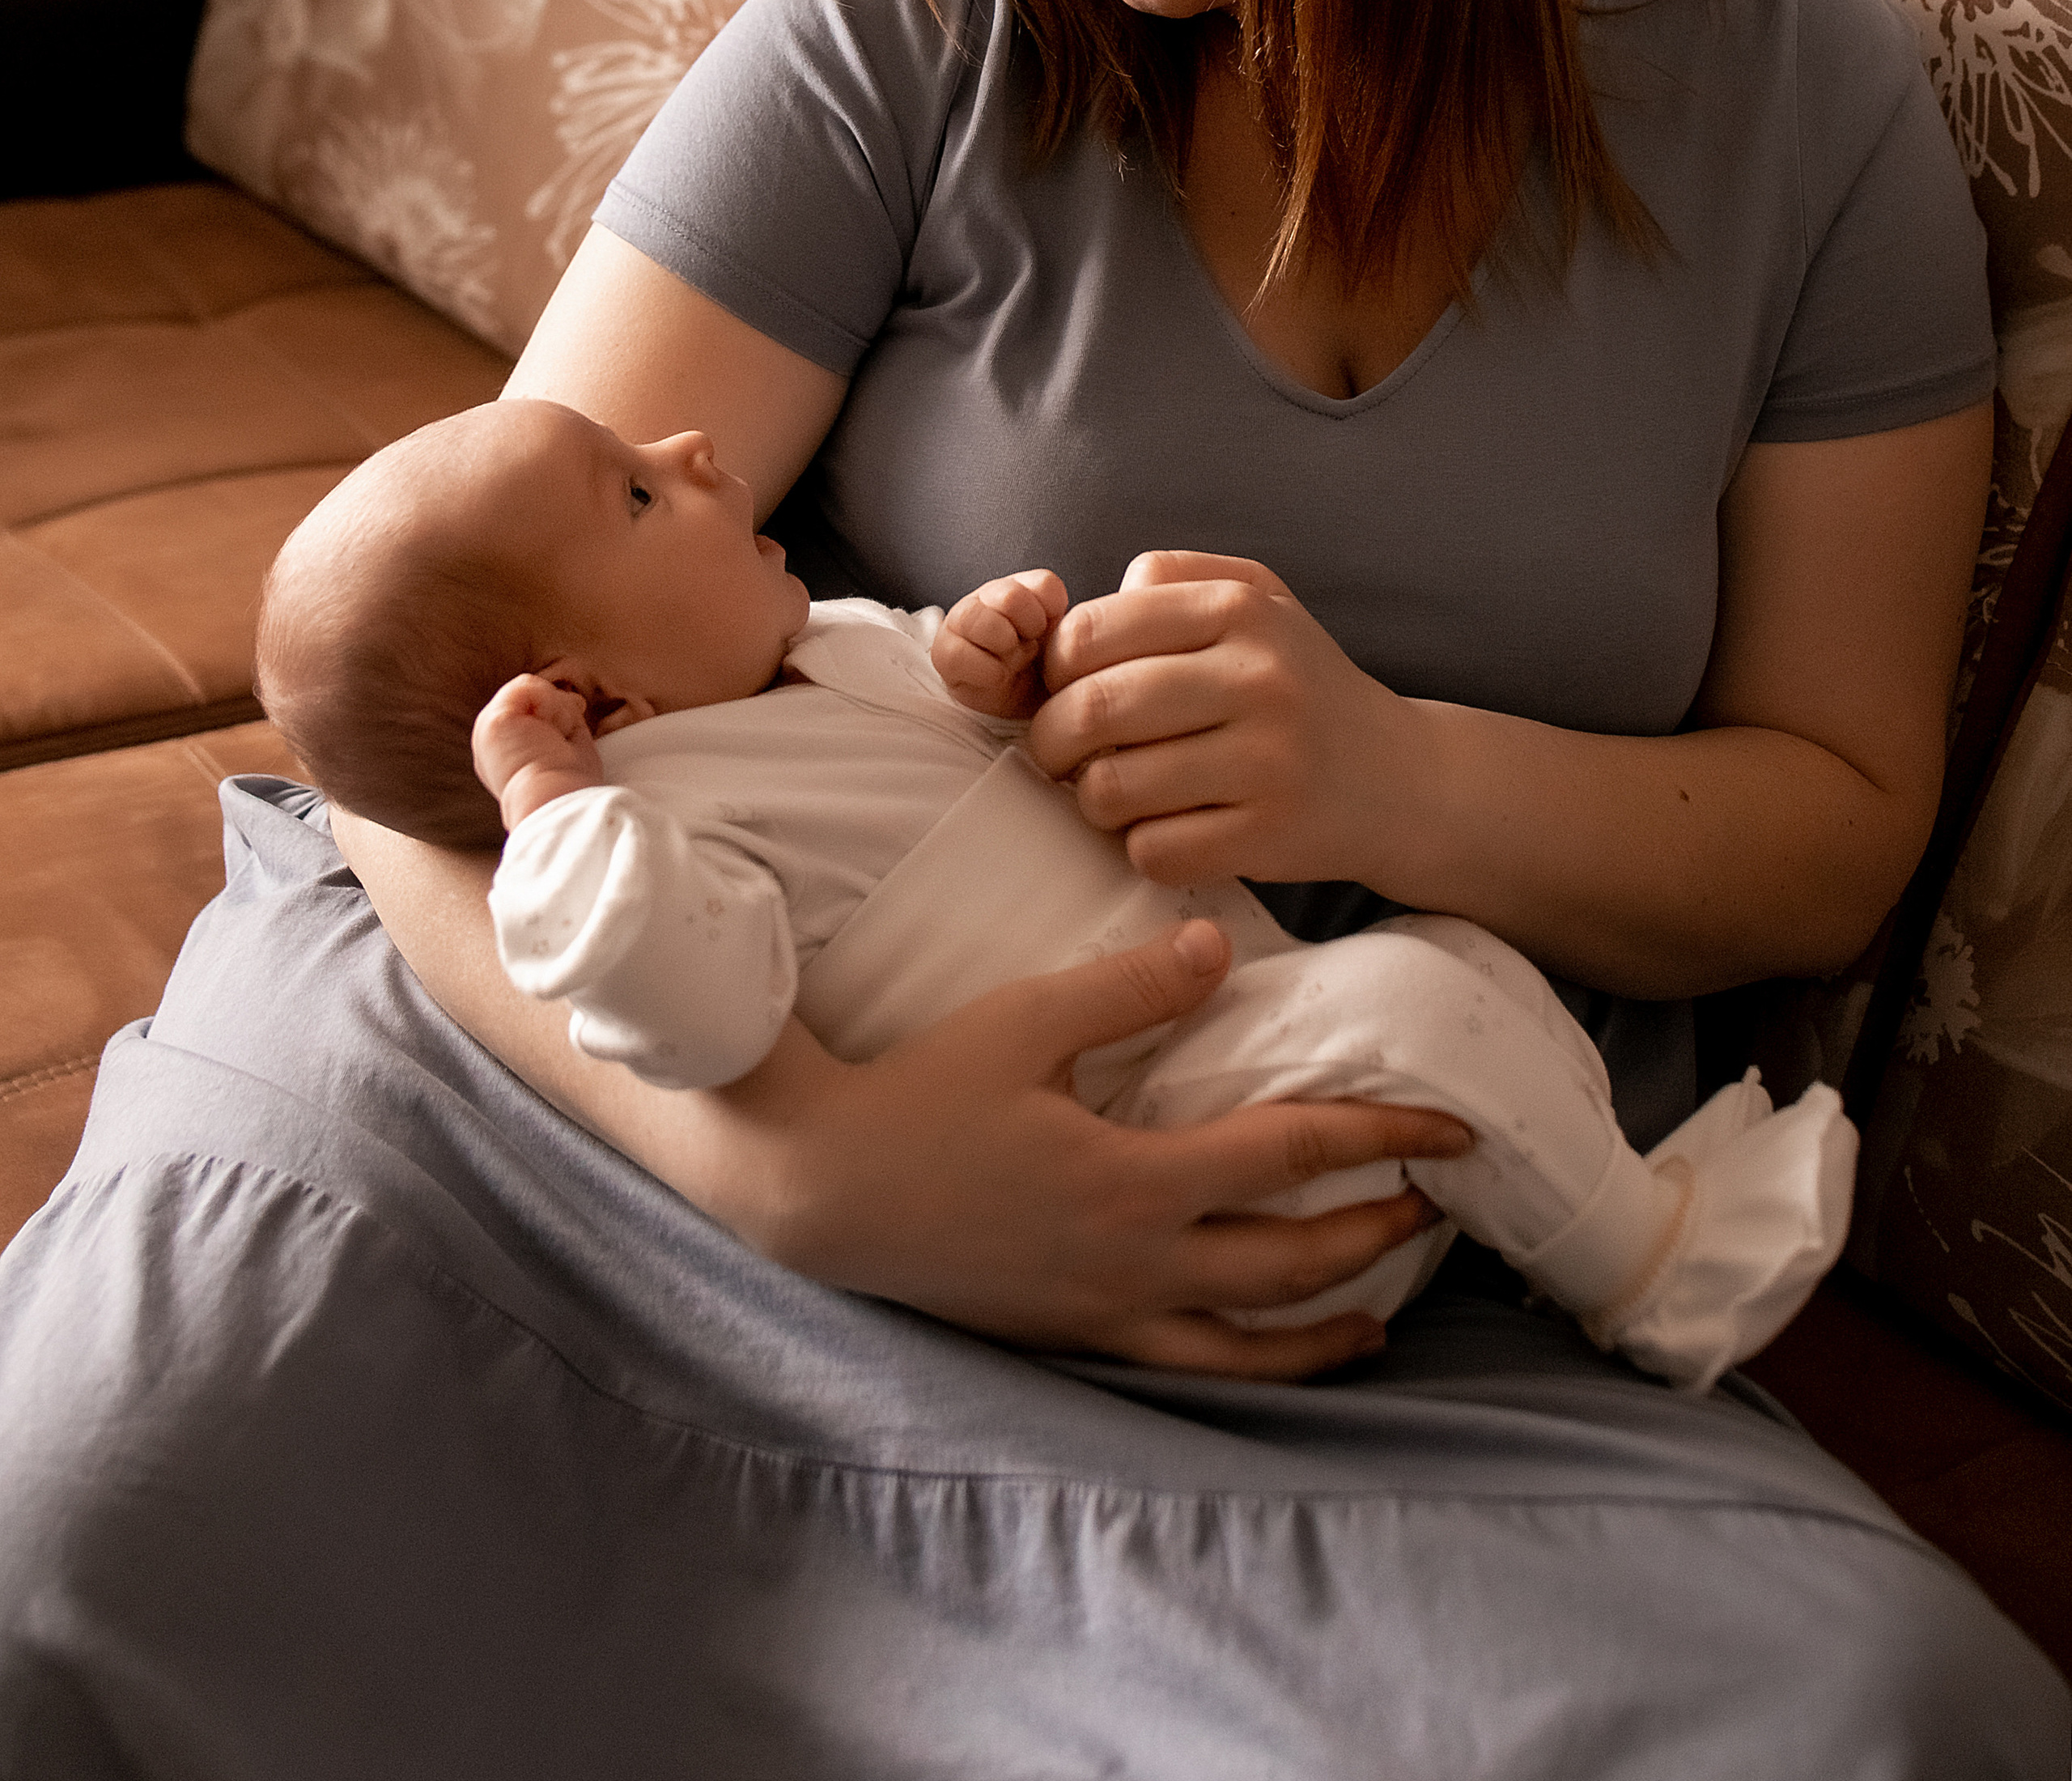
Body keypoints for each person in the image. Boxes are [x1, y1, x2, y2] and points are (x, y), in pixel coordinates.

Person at [1, 0, 2061, 1781]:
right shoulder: (917, 22)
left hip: (1314, 1261)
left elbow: (1836, 832)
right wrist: (808, 1175)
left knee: (1890, 1735)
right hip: (640, 1108)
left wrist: (1397, 781)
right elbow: (431, 737)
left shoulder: (1799, 108)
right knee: (77, 1538)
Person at [252, 396, 1855, 1384]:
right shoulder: (643, 830)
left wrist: (982, 671)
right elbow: (679, 1001)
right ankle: (1656, 1271)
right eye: (634, 498)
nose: (684, 446)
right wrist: (547, 813)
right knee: (1414, 1002)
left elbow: (941, 752)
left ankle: (1550, 1197)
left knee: (1451, 958)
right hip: (1152, 1157)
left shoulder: (807, 658)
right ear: (591, 697)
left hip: (1240, 1025)